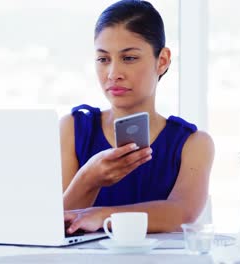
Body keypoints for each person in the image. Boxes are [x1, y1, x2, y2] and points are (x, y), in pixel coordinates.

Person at [60, 0, 214, 234]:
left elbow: (183, 213)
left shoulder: (193, 144)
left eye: (129, 58)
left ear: (161, 61)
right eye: (103, 59)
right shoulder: (73, 129)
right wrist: (89, 178)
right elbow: (56, 223)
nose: (113, 74)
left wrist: (104, 215)